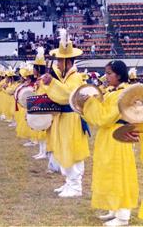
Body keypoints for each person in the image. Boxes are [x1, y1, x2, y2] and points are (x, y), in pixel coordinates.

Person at [82, 60, 138, 226]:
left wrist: (91, 102)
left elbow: (104, 117)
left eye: (109, 73)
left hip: (118, 137)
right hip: (108, 136)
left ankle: (123, 216)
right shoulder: (111, 91)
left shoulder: (124, 93)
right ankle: (114, 208)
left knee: (119, 173)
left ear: (119, 75)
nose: (105, 77)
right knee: (108, 171)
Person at [41, 28, 90, 198]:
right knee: (64, 149)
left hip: (71, 118)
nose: (58, 65)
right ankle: (69, 182)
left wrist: (51, 83)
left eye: (60, 62)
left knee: (73, 151)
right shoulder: (66, 77)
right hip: (65, 118)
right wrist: (52, 83)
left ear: (68, 62)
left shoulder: (75, 78)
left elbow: (64, 96)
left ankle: (76, 186)